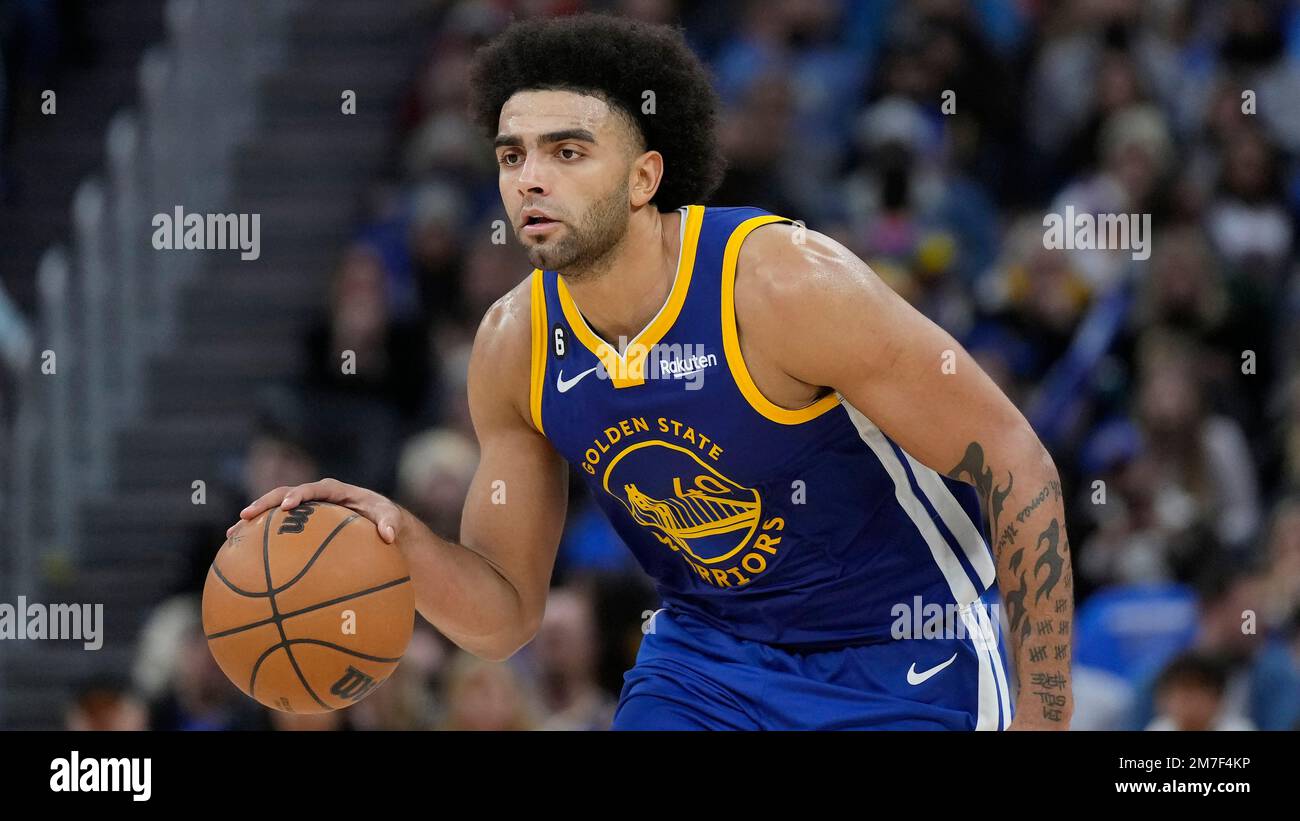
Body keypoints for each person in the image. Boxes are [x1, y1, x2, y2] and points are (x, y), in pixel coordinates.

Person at [232, 14, 1074, 730]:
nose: (530, 177)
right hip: (705, 661)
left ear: (644, 177)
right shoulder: (513, 344)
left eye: (567, 152)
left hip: (902, 647)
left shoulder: (781, 284)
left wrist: (1044, 720)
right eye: (512, 153)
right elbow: (505, 616)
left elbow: (1016, 462)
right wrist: (404, 543)